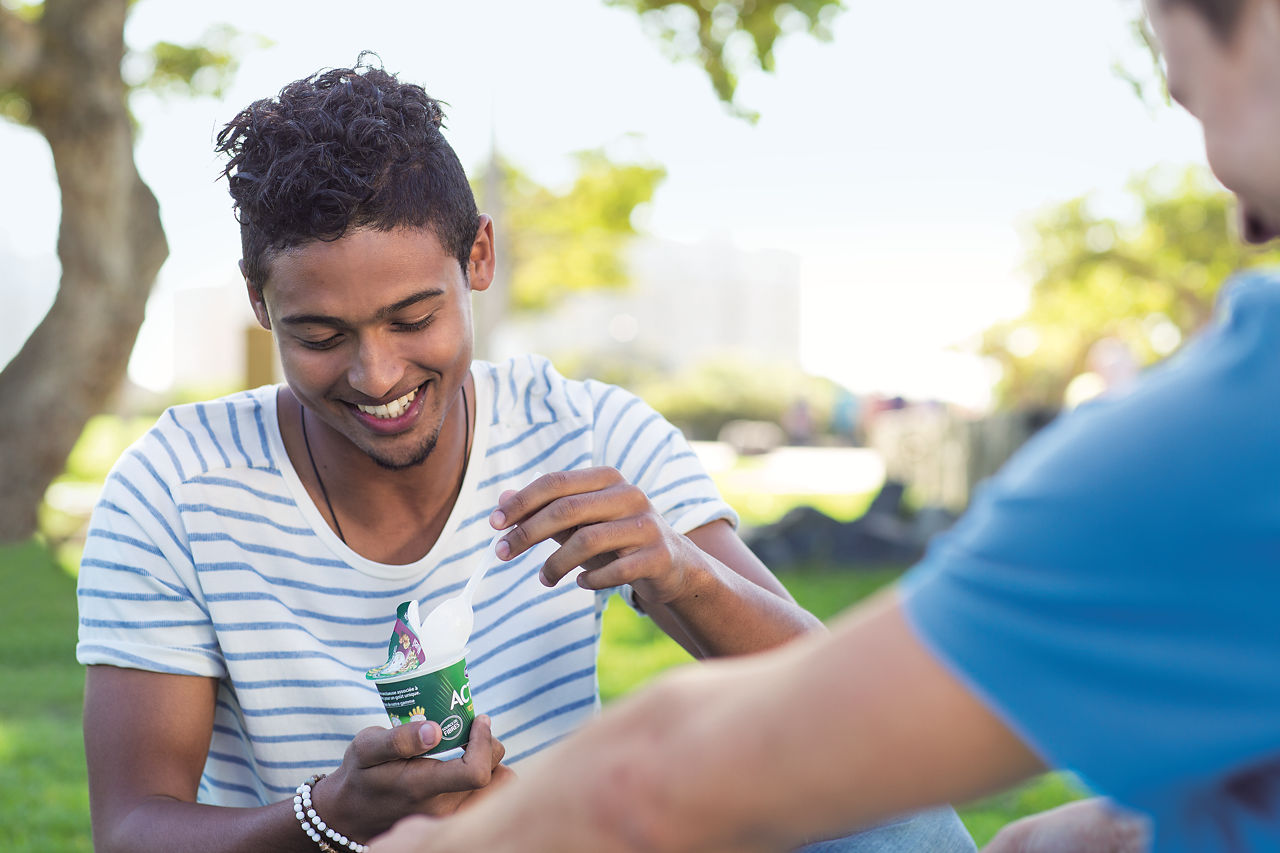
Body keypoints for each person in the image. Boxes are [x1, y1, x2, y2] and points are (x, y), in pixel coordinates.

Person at [368, 0, 1280, 850]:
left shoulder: (1236, 435)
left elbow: (665, 774)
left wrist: (451, 842)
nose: (1243, 219)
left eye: (1194, 102)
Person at [74, 57, 975, 852]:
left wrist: (682, 569)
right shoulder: (175, 488)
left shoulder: (584, 431)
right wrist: (331, 816)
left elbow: (833, 704)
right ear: (261, 303)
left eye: (413, 318)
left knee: (886, 810)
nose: (375, 373)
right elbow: (133, 826)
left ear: (479, 256)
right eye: (319, 334)